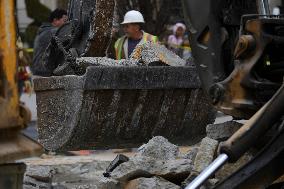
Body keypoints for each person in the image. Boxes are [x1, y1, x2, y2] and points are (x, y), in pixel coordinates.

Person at [32, 9, 67, 76]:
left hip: (40, 72)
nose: (67, 24)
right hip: (44, 74)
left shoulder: (45, 31)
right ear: (55, 20)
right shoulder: (51, 32)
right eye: (64, 21)